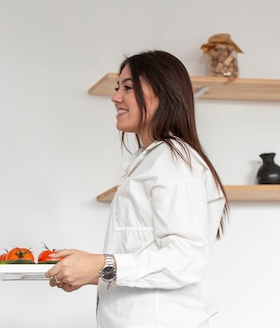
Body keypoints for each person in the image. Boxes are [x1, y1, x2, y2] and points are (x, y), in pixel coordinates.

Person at [45, 50, 228, 328]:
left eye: (128, 88)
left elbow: (185, 259)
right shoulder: (153, 159)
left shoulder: (173, 161)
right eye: (118, 87)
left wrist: (99, 265)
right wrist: (89, 272)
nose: (116, 97)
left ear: (163, 94)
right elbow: (145, 257)